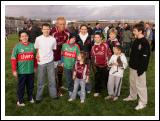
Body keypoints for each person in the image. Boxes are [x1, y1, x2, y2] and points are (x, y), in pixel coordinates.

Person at [123, 23, 150, 110]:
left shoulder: (144, 42)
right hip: (132, 67)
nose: (133, 32)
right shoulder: (136, 40)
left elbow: (145, 58)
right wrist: (130, 63)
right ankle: (132, 96)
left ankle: (143, 102)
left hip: (139, 69)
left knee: (141, 86)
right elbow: (133, 54)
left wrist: (141, 69)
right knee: (133, 83)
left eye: (134, 30)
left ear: (140, 31)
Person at [11, 30, 37, 106]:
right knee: (21, 86)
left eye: (26, 36)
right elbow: (13, 59)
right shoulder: (17, 46)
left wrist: (35, 67)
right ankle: (20, 100)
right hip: (22, 71)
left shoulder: (32, 45)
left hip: (30, 71)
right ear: (20, 38)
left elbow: (35, 57)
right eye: (22, 36)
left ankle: (30, 97)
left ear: (28, 37)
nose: (24, 37)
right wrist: (14, 70)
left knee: (31, 85)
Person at [35, 23, 58, 103]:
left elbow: (53, 49)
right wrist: (38, 55)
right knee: (40, 81)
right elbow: (37, 48)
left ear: (50, 29)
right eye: (44, 29)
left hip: (50, 61)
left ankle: (53, 95)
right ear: (42, 30)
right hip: (41, 62)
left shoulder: (53, 39)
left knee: (52, 80)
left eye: (48, 29)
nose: (46, 30)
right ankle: (38, 97)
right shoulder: (38, 39)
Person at [50, 16, 70, 96]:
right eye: (60, 24)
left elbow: (67, 45)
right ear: (57, 24)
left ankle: (60, 85)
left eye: (64, 24)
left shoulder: (67, 33)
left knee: (60, 72)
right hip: (53, 57)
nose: (62, 26)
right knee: (54, 74)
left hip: (61, 57)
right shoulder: (52, 32)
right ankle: (57, 90)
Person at [91, 33, 112, 97]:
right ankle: (97, 91)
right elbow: (92, 57)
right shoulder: (93, 47)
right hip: (97, 66)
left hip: (105, 65)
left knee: (107, 79)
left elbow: (109, 54)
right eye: (95, 37)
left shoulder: (105, 45)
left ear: (100, 38)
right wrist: (94, 66)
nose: (96, 39)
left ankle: (109, 90)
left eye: (98, 37)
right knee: (97, 79)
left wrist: (109, 65)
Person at [76, 24, 92, 93]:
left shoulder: (90, 37)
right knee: (79, 72)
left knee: (87, 73)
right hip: (79, 58)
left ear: (87, 30)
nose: (83, 30)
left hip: (87, 58)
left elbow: (91, 48)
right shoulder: (77, 37)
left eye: (85, 29)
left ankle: (87, 87)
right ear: (80, 29)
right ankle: (79, 87)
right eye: (82, 29)